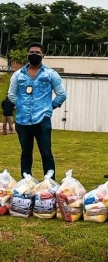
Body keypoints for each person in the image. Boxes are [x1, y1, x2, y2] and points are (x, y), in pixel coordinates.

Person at [8, 42, 67, 179]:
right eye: (32, 52)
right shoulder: (18, 75)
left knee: (46, 153)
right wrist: (21, 105)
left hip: (42, 120)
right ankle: (26, 183)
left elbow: (61, 94)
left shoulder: (50, 74)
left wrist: (49, 107)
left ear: (43, 55)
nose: (34, 54)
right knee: (26, 153)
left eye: (37, 53)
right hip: (23, 121)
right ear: (27, 54)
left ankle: (50, 184)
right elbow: (11, 94)